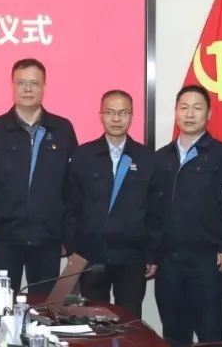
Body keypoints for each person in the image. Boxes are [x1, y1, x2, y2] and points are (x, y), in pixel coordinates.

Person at [0, 58, 77, 295]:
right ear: (12, 85)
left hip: (48, 238)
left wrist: (68, 236)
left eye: (34, 83)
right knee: (3, 307)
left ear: (44, 86)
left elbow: (71, 188)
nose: (28, 89)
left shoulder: (62, 129)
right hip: (3, 238)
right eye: (21, 83)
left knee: (43, 307)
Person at [153, 85, 222, 347]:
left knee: (210, 337)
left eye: (197, 108)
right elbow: (153, 212)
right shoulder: (161, 158)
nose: (190, 114)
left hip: (208, 261)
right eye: (184, 108)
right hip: (169, 261)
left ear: (209, 114)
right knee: (173, 336)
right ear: (176, 112)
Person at [66, 89, 160, 318]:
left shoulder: (147, 158)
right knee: (93, 321)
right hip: (91, 256)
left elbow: (155, 212)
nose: (116, 119)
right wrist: (73, 249)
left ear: (131, 116)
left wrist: (152, 254)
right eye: (110, 112)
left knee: (129, 321)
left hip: (132, 258)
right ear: (101, 115)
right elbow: (70, 206)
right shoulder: (83, 156)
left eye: (123, 113)